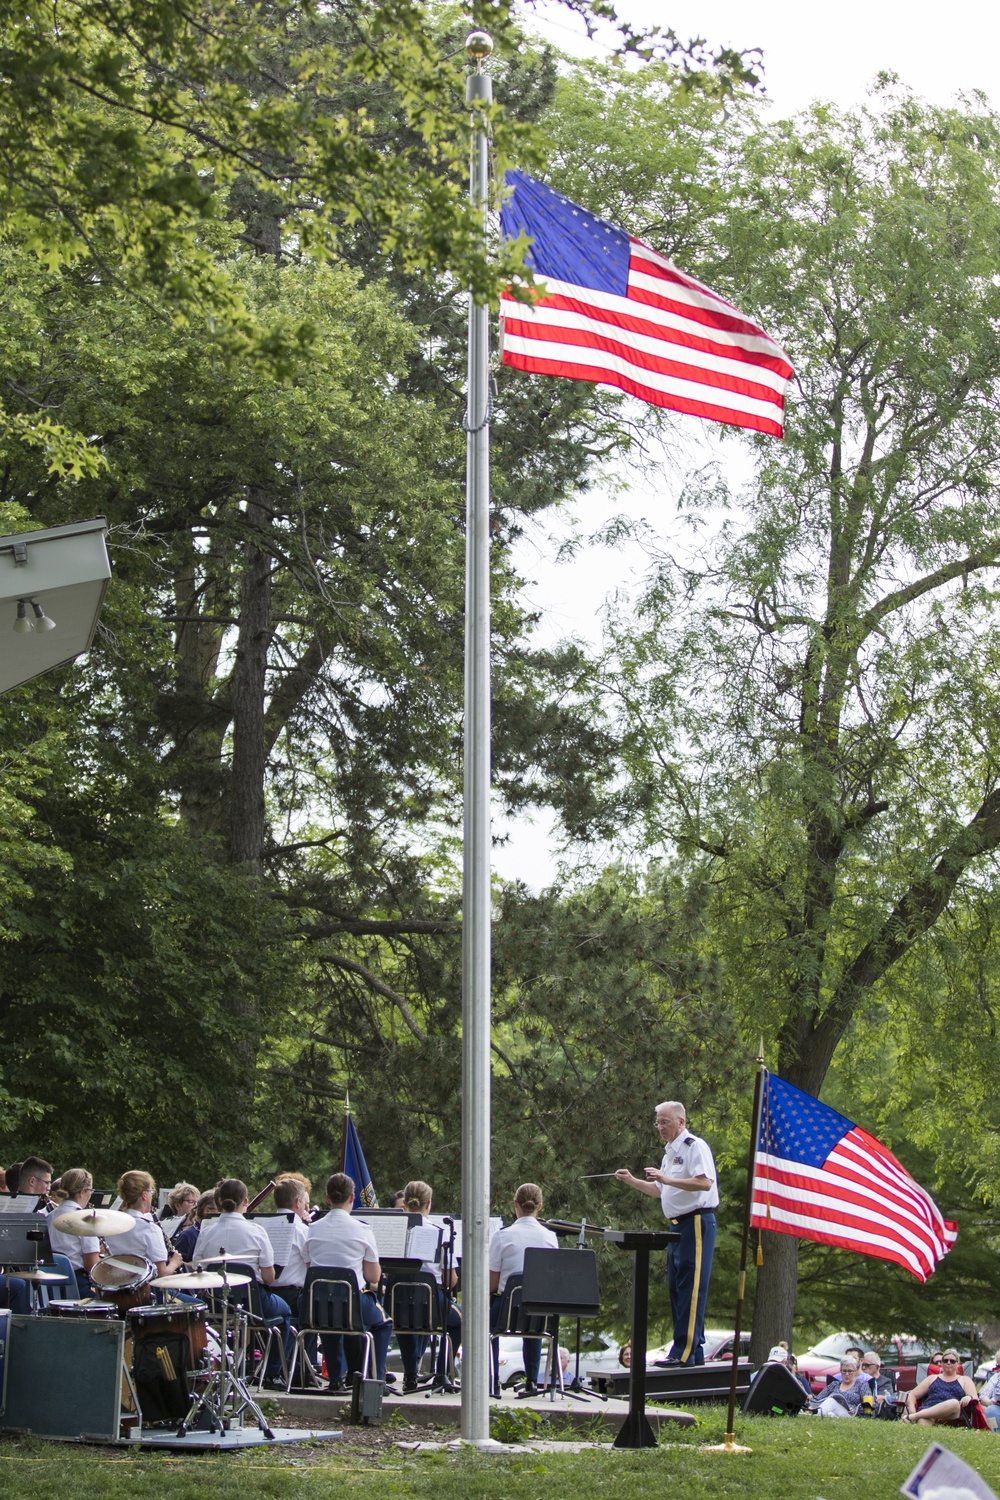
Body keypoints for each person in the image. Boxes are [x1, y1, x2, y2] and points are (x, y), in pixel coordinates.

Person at [615, 1099, 719, 1365]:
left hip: (696, 1222)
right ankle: (693, 1354)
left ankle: (681, 1353)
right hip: (676, 1227)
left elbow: (704, 1183)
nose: (659, 1127)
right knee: (676, 1287)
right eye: (657, 1122)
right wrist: (632, 1181)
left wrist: (666, 1178)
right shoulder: (669, 1152)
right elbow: (661, 1191)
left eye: (664, 1122)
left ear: (680, 1122)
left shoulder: (694, 1146)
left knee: (691, 1289)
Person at [279, 1171, 392, 1386]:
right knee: (383, 1323)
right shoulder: (362, 1229)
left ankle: (336, 1377)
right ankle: (373, 1380)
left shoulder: (311, 1229)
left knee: (328, 1315)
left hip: (317, 1304)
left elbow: (311, 1269)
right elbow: (373, 1276)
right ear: (352, 1198)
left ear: (328, 1199)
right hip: (352, 1303)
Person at [194, 1178, 296, 1385]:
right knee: (285, 1313)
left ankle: (225, 1366)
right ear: (246, 1201)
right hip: (253, 1304)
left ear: (219, 1201)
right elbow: (268, 1277)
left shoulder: (207, 1232)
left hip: (217, 1302)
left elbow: (198, 1268)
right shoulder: (257, 1231)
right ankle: (272, 1373)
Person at [489, 1183, 559, 1397]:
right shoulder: (550, 1237)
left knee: (489, 1318)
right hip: (538, 1313)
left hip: (507, 1311)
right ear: (540, 1206)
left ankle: (491, 1379)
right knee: (535, 1311)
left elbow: (492, 1284)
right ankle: (532, 1380)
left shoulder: (502, 1236)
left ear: (515, 1205)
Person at [395, 1179, 462, 1392]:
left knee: (405, 1317)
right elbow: (451, 1281)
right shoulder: (438, 1232)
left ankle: (410, 1375)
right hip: (431, 1304)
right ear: (429, 1204)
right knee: (461, 1321)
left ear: (404, 1202)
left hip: (397, 1302)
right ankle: (442, 1372)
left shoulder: (393, 1231)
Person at [111, 1170, 182, 1277]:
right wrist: (174, 1263)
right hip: (145, 1290)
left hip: (116, 1285)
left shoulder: (111, 1225)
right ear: (144, 1195)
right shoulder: (149, 1228)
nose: (151, 1197)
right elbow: (162, 1273)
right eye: (151, 1192)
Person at [48, 1168, 101, 1296]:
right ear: (83, 1192)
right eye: (90, 1191)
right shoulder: (85, 1219)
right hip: (78, 1286)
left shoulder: (48, 1217)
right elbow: (92, 1266)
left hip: (49, 1286)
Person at [904, 1350, 978, 1425]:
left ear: (957, 1364)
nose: (948, 1363)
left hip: (950, 1414)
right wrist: (912, 1410)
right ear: (942, 1363)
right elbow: (912, 1394)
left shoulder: (965, 1379)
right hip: (928, 1413)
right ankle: (915, 1416)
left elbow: (974, 1397)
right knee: (921, 1428)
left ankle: (915, 1416)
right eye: (945, 1361)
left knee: (954, 1403)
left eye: (952, 1361)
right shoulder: (932, 1378)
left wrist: (968, 1397)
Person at [173, 1191, 218, 1264]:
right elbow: (177, 1265)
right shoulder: (187, 1236)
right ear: (207, 1211)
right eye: (220, 1209)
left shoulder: (219, 1233)